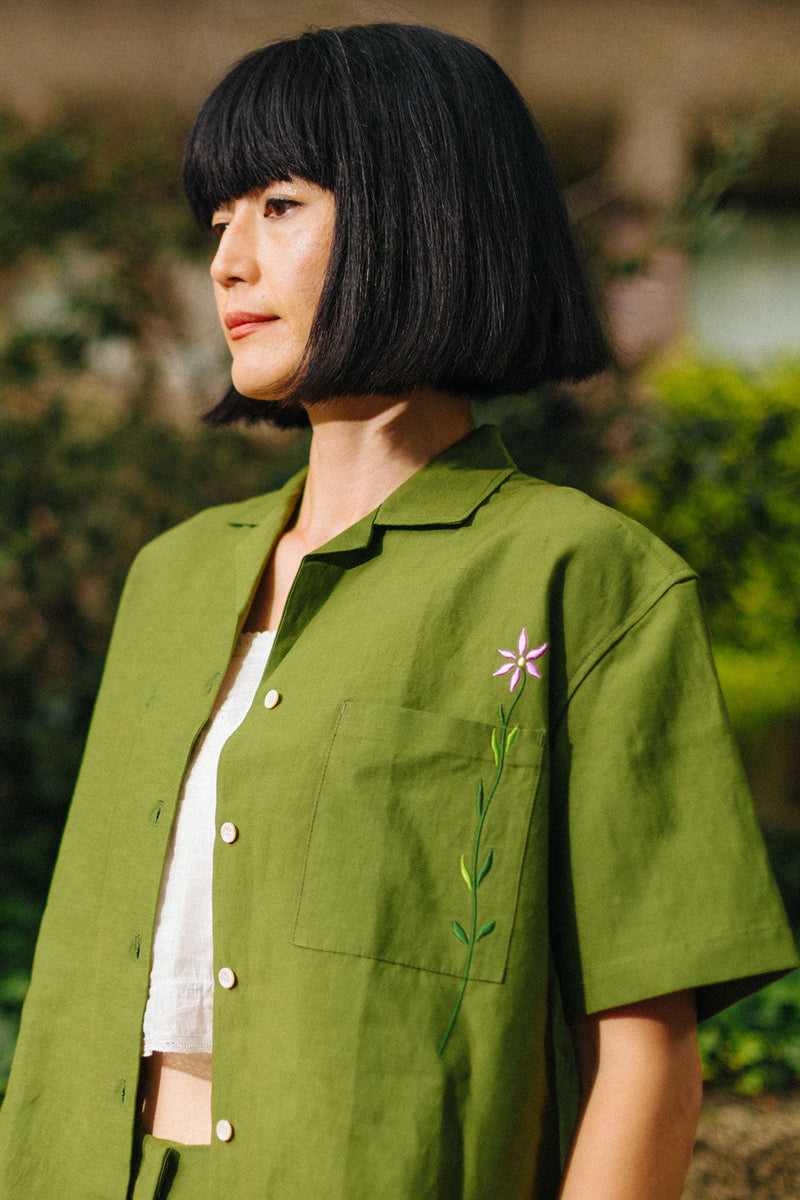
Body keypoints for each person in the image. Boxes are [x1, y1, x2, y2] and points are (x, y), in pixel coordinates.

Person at [0, 22, 795, 1200]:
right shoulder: (171, 581)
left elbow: (644, 1054)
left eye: (277, 204)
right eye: (218, 216)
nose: (225, 259)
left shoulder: (582, 580)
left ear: (418, 214)